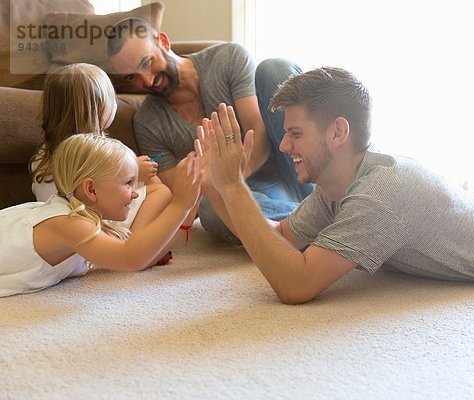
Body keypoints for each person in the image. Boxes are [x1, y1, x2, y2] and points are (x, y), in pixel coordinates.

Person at [196, 67, 474, 305]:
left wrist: (234, 186)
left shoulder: (380, 194)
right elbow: (282, 238)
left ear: (338, 132)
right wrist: (216, 185)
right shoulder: (337, 187)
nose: (284, 146)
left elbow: (296, 284)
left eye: (296, 133)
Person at [106, 17, 313, 243]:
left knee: (274, 68)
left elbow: (259, 133)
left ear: (163, 42)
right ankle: (312, 224)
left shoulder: (228, 58)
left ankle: (311, 210)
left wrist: (231, 177)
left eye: (146, 62)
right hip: (258, 196)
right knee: (211, 211)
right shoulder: (147, 121)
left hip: (288, 163)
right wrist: (228, 187)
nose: (147, 80)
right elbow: (183, 189)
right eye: (132, 77)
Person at [1, 133, 202, 297]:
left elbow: (143, 255)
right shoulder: (70, 224)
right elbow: (131, 258)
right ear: (92, 190)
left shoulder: (85, 218)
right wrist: (180, 205)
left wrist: (191, 207)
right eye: (128, 183)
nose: (134, 193)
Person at [29, 62, 179, 265]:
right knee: (161, 190)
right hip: (94, 219)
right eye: (112, 99)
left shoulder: (42, 155)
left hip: (64, 223)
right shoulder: (97, 152)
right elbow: (101, 192)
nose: (115, 104)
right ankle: (133, 243)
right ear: (99, 110)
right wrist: (135, 175)